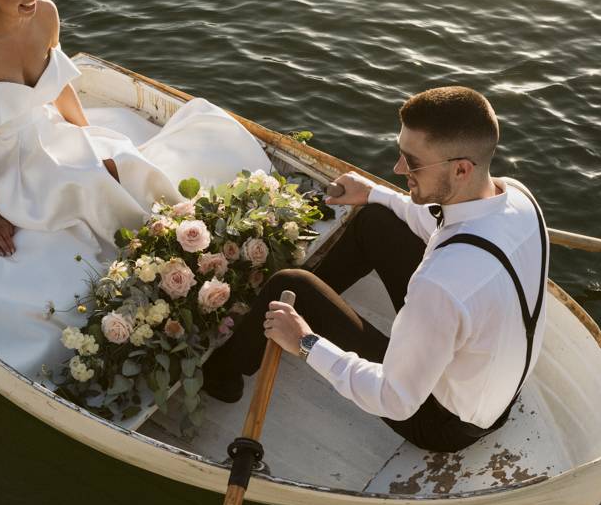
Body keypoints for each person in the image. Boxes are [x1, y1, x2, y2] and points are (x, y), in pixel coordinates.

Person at [0, 0, 270, 378]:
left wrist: (87, 134)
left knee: (123, 161)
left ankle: (175, 244)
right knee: (85, 182)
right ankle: (150, 255)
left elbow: (55, 82)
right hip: (4, 161)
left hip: (51, 130)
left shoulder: (46, 14)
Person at [202, 86, 549, 452]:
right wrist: (373, 192)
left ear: (462, 169)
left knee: (289, 284)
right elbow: (441, 226)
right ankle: (306, 306)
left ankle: (224, 374)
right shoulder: (516, 196)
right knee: (375, 220)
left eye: (412, 162)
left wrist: (305, 343)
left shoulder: (441, 284)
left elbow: (394, 399)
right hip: (489, 388)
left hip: (442, 422)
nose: (399, 169)